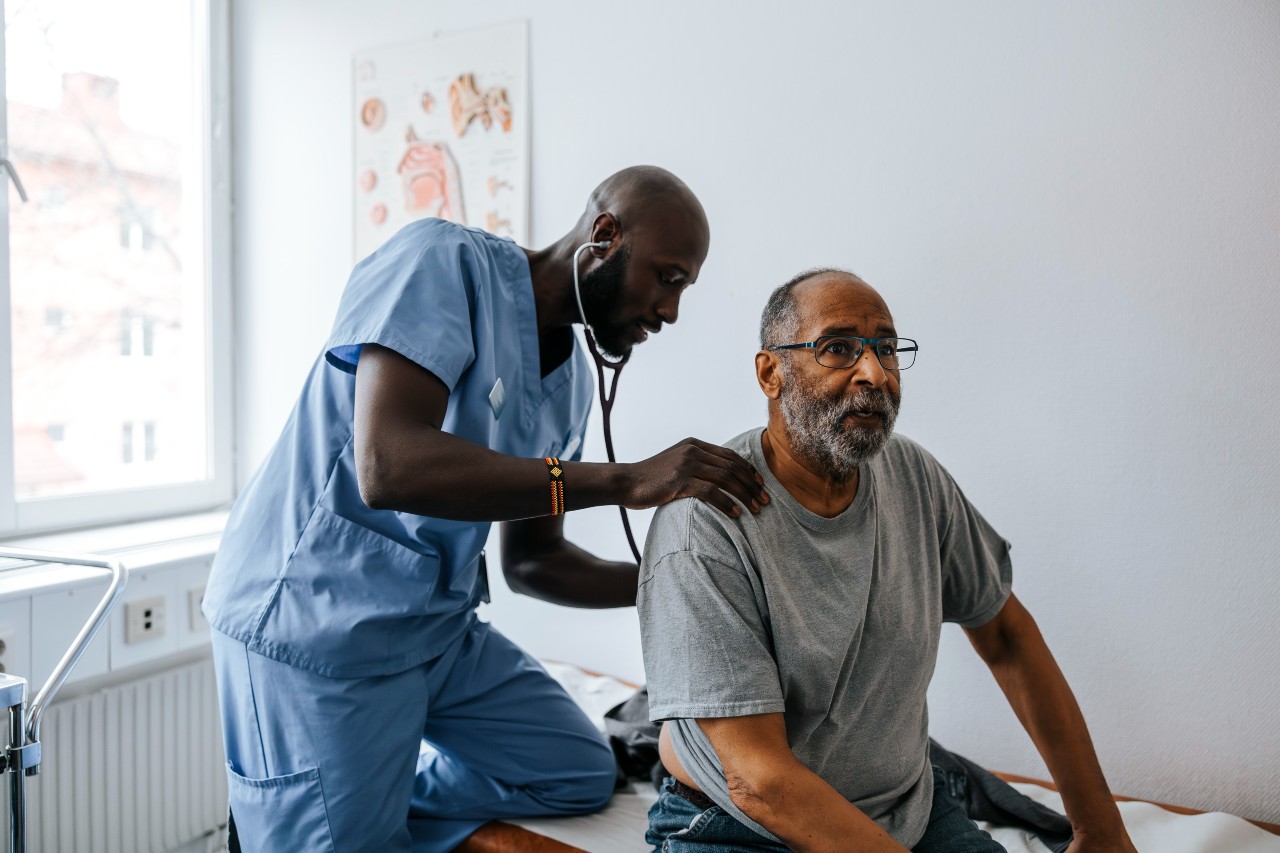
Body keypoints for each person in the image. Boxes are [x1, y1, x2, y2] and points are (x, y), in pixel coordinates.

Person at [202, 166, 769, 852]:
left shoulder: (569, 387)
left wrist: (675, 581)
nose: (671, 310)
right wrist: (623, 480)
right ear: (604, 235)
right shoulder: (442, 264)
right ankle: (320, 804)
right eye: (669, 276)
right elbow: (389, 463)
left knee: (579, 773)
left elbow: (535, 562)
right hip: (317, 622)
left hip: (433, 632)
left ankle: (355, 787)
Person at [638, 268, 1137, 852]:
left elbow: (1006, 635)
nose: (874, 373)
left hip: (902, 811)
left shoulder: (914, 478)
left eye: (886, 349)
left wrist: (1100, 828)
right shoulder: (707, 521)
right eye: (839, 348)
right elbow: (760, 782)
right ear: (771, 373)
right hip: (741, 825)